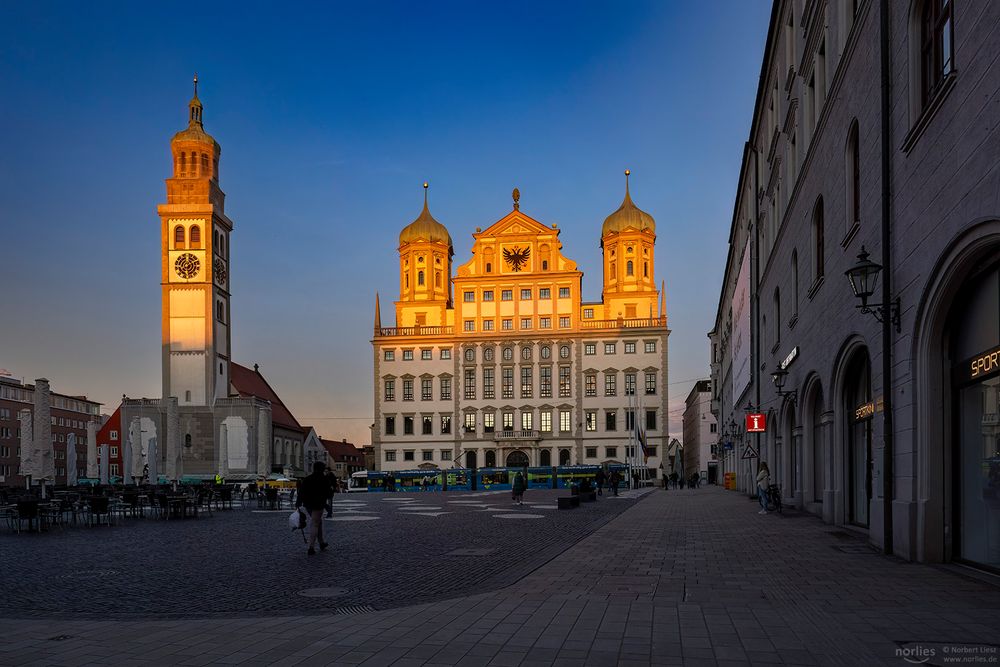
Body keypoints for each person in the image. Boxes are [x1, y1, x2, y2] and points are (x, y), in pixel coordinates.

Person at [296, 461, 331, 555]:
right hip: (318, 504)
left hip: (308, 504)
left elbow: (301, 491)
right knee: (315, 523)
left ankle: (321, 542)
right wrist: (327, 504)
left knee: (318, 521)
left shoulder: (307, 479)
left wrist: (298, 503)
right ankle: (311, 547)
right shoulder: (324, 479)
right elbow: (329, 493)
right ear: (321, 469)